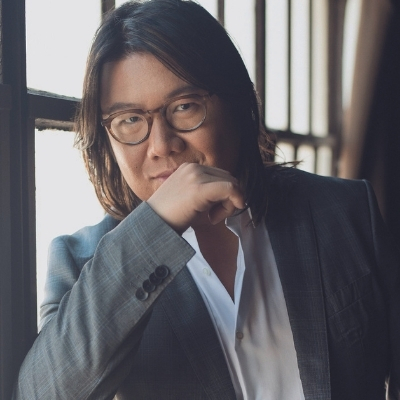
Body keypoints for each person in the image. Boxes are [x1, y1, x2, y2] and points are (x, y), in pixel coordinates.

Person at [13, 0, 400, 399]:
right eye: (130, 119)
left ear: (237, 102)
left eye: (184, 107)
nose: (161, 145)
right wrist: (157, 225)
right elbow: (41, 393)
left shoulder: (344, 210)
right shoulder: (82, 261)